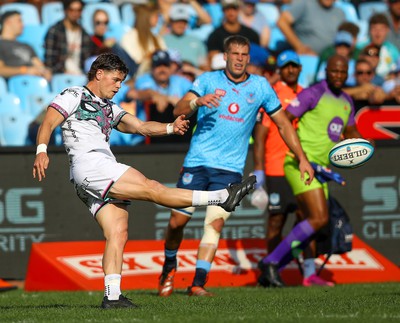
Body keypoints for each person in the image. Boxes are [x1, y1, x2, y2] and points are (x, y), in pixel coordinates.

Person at [32, 52, 256, 309]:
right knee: (152, 189)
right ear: (99, 74)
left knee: (118, 231)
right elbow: (49, 122)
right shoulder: (74, 94)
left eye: (122, 81)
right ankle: (222, 197)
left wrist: (170, 127)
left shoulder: (109, 107)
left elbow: (139, 126)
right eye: (116, 80)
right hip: (92, 165)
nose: (119, 86)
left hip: (89, 176)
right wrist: (41, 151)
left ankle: (112, 296)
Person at [158, 35, 314, 297]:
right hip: (197, 162)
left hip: (229, 169)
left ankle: (198, 282)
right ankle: (169, 266)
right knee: (176, 222)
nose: (240, 59)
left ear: (248, 58)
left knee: (215, 224)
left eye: (244, 54)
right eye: (235, 54)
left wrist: (302, 158)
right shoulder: (208, 80)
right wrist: (198, 101)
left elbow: (284, 124)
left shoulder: (261, 87)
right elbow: (178, 109)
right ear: (225, 56)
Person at [257, 54, 364, 288]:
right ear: (326, 71)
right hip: (300, 165)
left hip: (321, 170)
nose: (338, 75)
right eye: (334, 71)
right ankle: (272, 262)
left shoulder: (346, 101)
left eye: (342, 72)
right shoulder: (313, 93)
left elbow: (352, 133)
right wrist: (300, 155)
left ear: (347, 74)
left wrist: (364, 144)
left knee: (309, 222)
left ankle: (304, 274)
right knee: (318, 218)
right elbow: (284, 120)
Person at [253, 49, 303, 260]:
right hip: (276, 167)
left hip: (301, 165)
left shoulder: (306, 93)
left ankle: (306, 269)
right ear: (280, 71)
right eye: (286, 67)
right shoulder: (272, 94)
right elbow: (260, 137)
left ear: (300, 68)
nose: (290, 70)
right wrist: (258, 172)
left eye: (294, 66)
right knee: (277, 220)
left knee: (305, 218)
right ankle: (271, 268)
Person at [129, 50, 194, 144]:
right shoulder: (144, 79)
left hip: (174, 135)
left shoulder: (180, 81)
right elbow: (144, 94)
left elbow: (194, 96)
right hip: (144, 136)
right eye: (158, 66)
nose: (162, 69)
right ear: (152, 68)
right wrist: (168, 98)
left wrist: (178, 102)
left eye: (165, 65)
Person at [276, 0, 345, 55]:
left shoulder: (340, 13)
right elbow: (282, 22)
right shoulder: (305, 4)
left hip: (329, 60)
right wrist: (299, 47)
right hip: (305, 58)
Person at [44, 0, 94, 74]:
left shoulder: (85, 35)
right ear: (65, 10)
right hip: (60, 75)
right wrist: (62, 71)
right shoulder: (54, 31)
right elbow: (49, 61)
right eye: (71, 10)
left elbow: (87, 60)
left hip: (81, 75)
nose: (75, 13)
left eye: (78, 10)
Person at [0, 10, 51, 80]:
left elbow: (40, 66)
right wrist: (25, 70)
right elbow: (1, 70)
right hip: (16, 84)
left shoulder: (27, 46)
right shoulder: (1, 44)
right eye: (19, 21)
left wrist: (46, 72)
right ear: (8, 22)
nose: (23, 25)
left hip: (36, 83)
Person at [206, 0, 260, 67]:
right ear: (223, 11)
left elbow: (257, 57)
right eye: (227, 9)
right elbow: (213, 58)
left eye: (234, 8)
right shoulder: (215, 35)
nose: (231, 12)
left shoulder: (252, 35)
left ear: (239, 10)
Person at [119, 3, 167, 76]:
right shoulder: (129, 37)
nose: (158, 18)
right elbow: (132, 63)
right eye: (155, 16)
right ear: (146, 17)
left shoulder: (157, 38)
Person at [163, 3, 208, 71]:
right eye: (177, 21)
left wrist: (192, 70)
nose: (180, 25)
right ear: (171, 22)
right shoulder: (162, 40)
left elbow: (204, 65)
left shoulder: (196, 41)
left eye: (183, 22)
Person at [357, 13, 400, 79]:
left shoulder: (393, 51)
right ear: (369, 30)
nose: (378, 34)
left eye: (381, 29)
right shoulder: (359, 48)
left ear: (387, 30)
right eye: (374, 29)